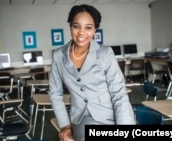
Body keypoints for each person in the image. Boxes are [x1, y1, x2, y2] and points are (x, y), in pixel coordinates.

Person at [48, 4, 136, 141]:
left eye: (88, 28)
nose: (81, 33)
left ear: (95, 30)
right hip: (83, 119)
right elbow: (55, 93)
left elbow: (119, 93)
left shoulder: (105, 53)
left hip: (113, 115)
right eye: (76, 26)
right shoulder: (59, 55)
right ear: (70, 26)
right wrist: (65, 125)